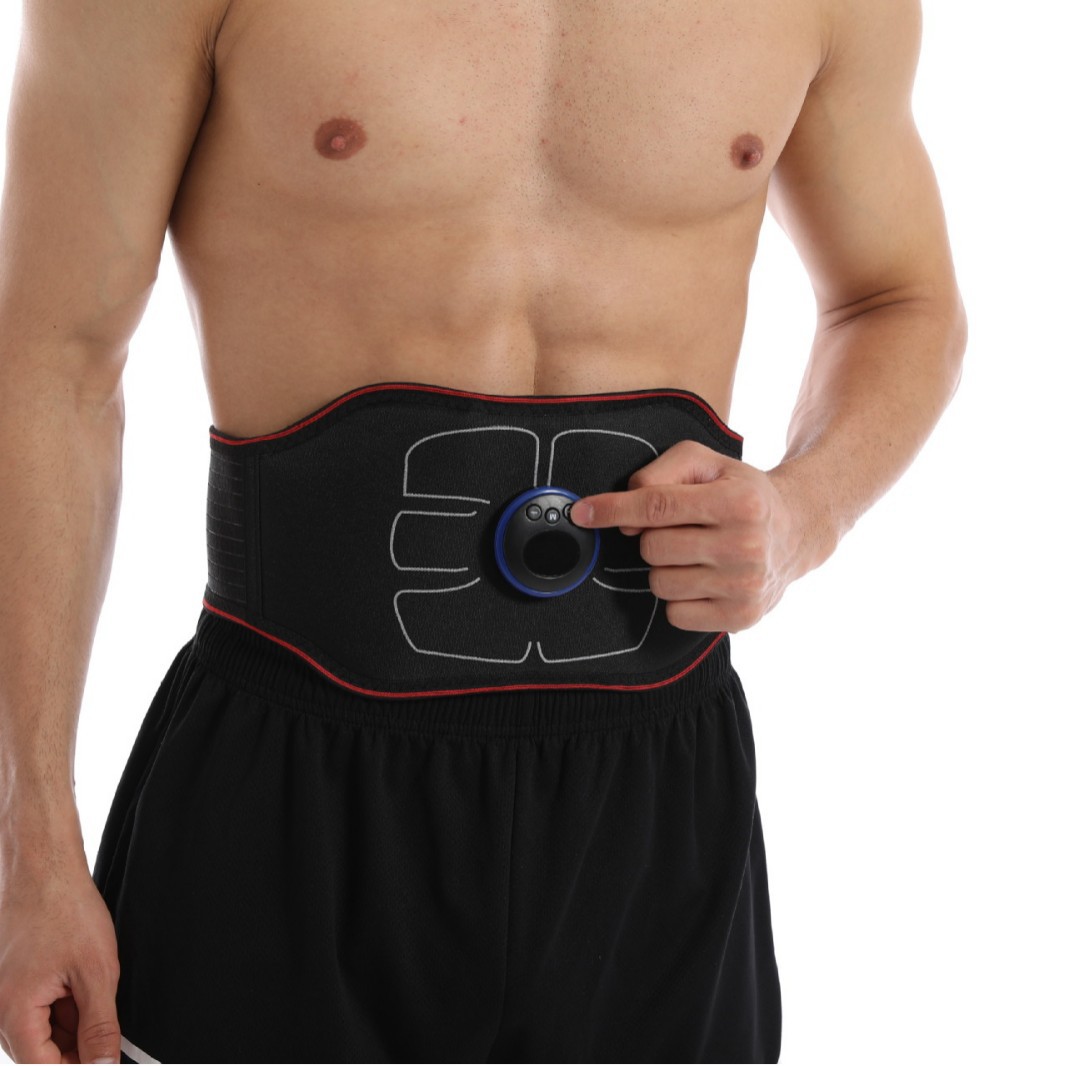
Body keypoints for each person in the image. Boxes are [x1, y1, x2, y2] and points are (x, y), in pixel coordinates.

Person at [0, 0, 965, 1062]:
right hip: (291, 775)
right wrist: (27, 845)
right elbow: (52, 358)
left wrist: (803, 510)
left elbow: (896, 297)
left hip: (652, 798)